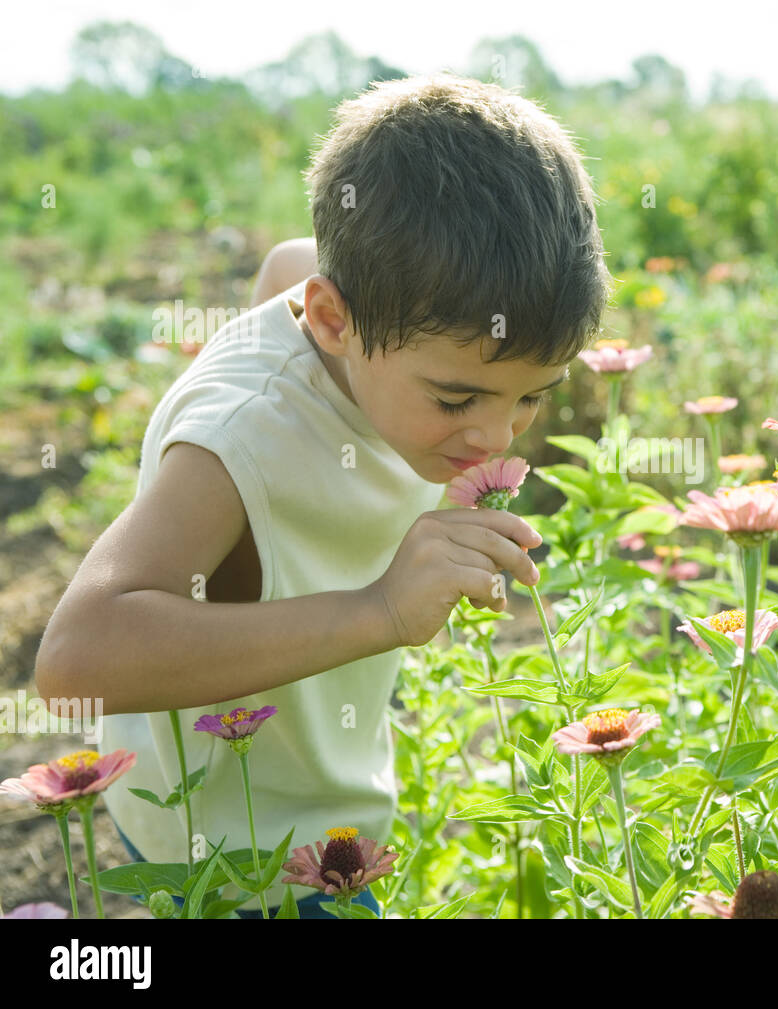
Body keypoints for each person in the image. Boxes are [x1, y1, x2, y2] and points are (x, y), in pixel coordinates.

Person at [34, 73, 613, 918]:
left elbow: (288, 264)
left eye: (531, 395)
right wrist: (380, 609)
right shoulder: (238, 444)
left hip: (317, 793)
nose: (497, 437)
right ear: (333, 322)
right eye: (456, 399)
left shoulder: (344, 294)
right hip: (240, 850)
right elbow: (72, 661)